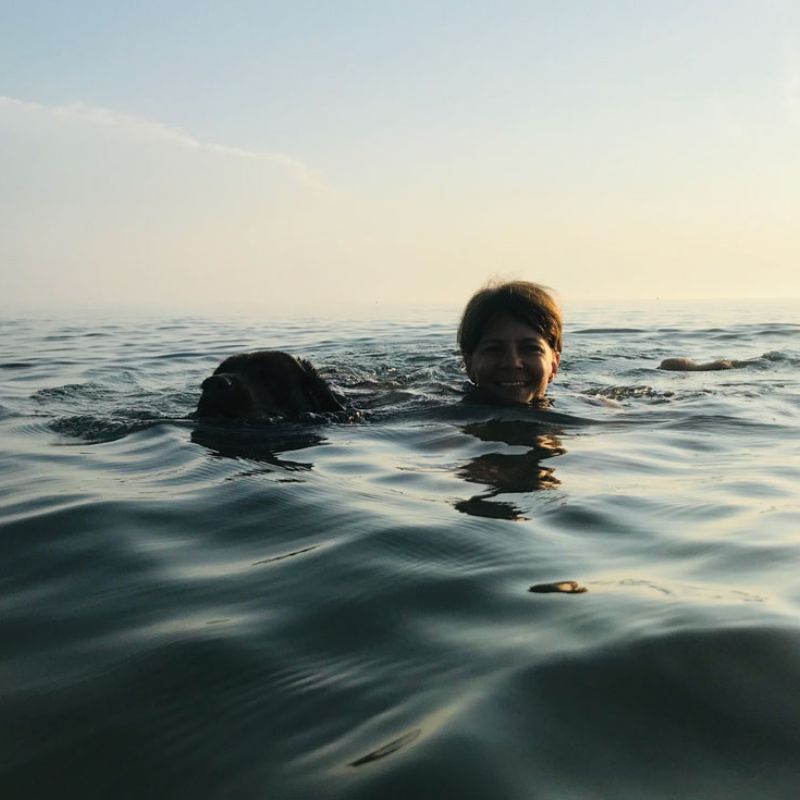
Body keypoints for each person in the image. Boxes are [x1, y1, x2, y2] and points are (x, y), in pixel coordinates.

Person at [458, 280, 562, 406]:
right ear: (469, 365)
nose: (512, 363)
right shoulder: (440, 415)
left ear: (554, 365)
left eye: (531, 349)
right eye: (494, 349)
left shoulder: (587, 405)